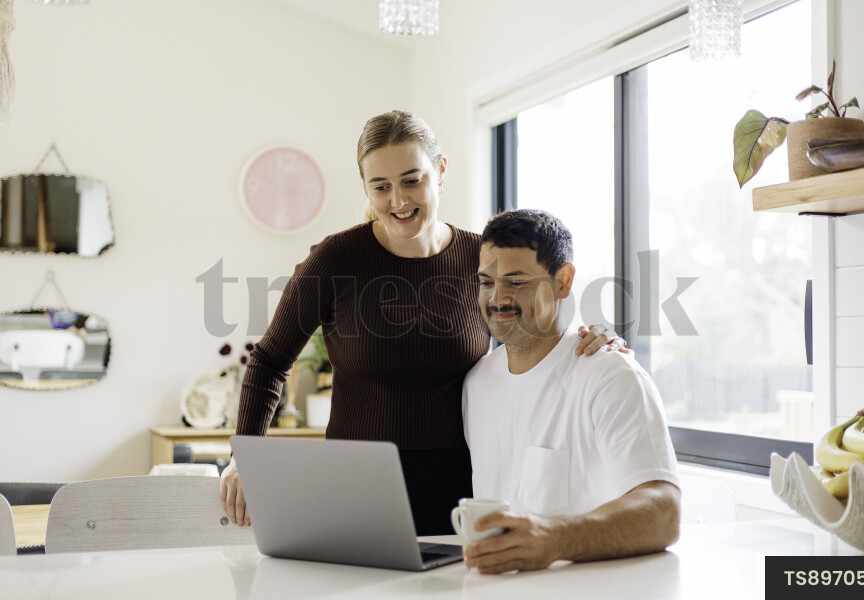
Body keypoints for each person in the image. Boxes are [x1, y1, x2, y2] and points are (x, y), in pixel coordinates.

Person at [221, 110, 621, 535]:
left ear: (441, 171)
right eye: (381, 186)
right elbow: (269, 361)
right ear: (367, 189)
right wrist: (243, 454)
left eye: (412, 180)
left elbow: (530, 336)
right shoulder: (335, 260)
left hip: (457, 482)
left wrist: (595, 340)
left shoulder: (479, 259)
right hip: (353, 480)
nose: (399, 200)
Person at [461, 209, 681, 573]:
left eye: (516, 281)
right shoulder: (475, 385)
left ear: (563, 281)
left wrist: (554, 539)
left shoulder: (610, 376)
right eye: (486, 282)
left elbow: (664, 512)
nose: (498, 298)